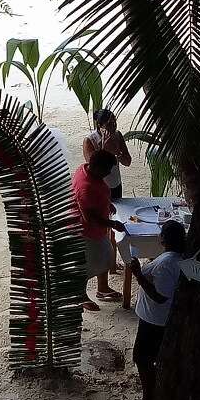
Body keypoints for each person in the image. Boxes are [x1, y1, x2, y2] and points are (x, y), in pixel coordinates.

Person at [128, 220, 186, 400]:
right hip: (158, 318)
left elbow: (160, 296)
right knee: (151, 357)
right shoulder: (175, 258)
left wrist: (138, 274)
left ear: (162, 239)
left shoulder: (167, 263)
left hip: (155, 319)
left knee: (142, 358)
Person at [72, 150, 126, 312]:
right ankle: (80, 296)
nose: (110, 172)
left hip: (97, 229)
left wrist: (106, 203)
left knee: (105, 255)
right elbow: (89, 217)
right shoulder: (85, 187)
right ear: (97, 167)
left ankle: (102, 288)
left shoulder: (85, 169)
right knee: (87, 265)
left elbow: (100, 192)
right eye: (107, 169)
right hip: (84, 231)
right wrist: (112, 223)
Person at [83, 108, 132, 281]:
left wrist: (117, 151)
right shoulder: (90, 140)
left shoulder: (118, 136)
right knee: (103, 227)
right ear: (100, 125)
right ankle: (105, 266)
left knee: (114, 225)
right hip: (100, 188)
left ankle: (112, 262)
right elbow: (93, 165)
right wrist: (104, 147)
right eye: (109, 123)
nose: (113, 125)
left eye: (115, 122)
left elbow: (127, 161)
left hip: (115, 185)